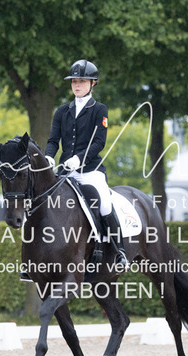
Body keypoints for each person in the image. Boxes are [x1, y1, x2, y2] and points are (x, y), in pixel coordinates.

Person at [45, 59, 127, 267]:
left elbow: (99, 142)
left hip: (91, 170)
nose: (77, 85)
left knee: (105, 204)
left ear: (93, 83)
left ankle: (119, 252)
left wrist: (79, 159)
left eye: (81, 81)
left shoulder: (99, 110)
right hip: (65, 172)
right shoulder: (62, 111)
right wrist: (49, 157)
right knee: (43, 202)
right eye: (74, 82)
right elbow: (53, 140)